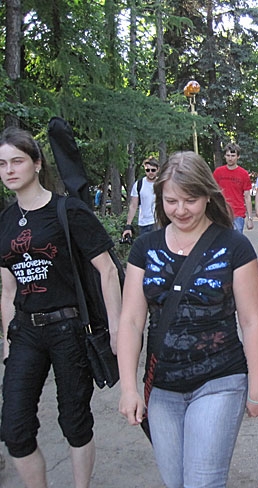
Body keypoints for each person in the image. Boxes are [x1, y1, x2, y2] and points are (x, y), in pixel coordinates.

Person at [117, 150, 258, 488]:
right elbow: (130, 321)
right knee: (176, 482)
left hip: (220, 378)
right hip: (162, 385)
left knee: (202, 482)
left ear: (207, 196)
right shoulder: (144, 248)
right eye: (171, 201)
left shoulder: (235, 246)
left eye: (191, 200)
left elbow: (250, 321)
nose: (181, 210)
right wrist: (129, 388)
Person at [0, 127, 122, 488]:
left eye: (17, 161)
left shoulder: (68, 210)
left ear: (37, 163)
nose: (9, 170)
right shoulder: (5, 221)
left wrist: (117, 329)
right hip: (25, 331)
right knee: (14, 427)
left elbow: (107, 270)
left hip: (69, 329)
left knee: (74, 420)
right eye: (2, 164)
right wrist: (7, 341)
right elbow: (8, 287)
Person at [212, 142, 254, 233]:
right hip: (222, 212)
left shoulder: (243, 174)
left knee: (235, 239)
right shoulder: (218, 172)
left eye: (233, 155)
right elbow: (213, 192)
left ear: (238, 157)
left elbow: (247, 196)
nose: (230, 158)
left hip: (238, 214)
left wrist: (250, 218)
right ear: (225, 156)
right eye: (228, 155)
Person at [122, 156, 159, 240]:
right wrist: (128, 225)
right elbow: (133, 205)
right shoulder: (139, 184)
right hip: (144, 224)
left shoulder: (162, 184)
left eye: (153, 170)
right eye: (147, 170)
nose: (150, 172)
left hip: (159, 223)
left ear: (158, 170)